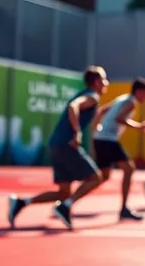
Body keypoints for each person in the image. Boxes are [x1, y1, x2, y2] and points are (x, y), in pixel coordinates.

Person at [7, 66, 109, 230]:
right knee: (96, 177)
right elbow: (73, 107)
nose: (107, 83)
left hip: (56, 144)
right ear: (97, 82)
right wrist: (77, 133)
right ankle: (65, 206)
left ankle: (21, 203)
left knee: (63, 192)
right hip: (66, 145)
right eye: (104, 79)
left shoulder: (87, 95)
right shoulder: (92, 97)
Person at [91, 77, 145, 221]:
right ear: (138, 91)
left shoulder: (122, 98)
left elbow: (101, 110)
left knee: (102, 176)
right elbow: (119, 118)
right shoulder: (131, 102)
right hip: (108, 139)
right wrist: (139, 126)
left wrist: (96, 128)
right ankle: (124, 209)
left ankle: (69, 200)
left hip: (100, 138)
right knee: (129, 169)